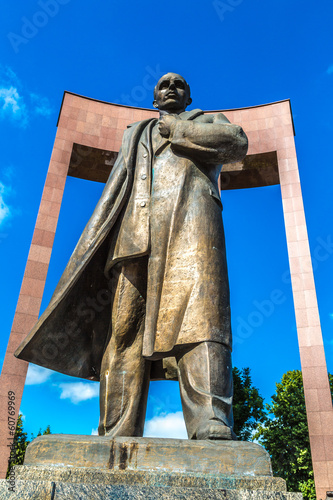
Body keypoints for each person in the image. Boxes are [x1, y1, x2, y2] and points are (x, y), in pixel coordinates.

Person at [15, 73, 248, 440]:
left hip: (192, 227)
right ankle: (116, 429)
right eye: (164, 84)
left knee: (201, 323)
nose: (171, 87)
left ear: (188, 97)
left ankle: (211, 421)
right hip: (135, 238)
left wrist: (177, 130)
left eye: (179, 84)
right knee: (124, 334)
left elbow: (236, 143)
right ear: (154, 98)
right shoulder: (134, 133)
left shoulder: (207, 121)